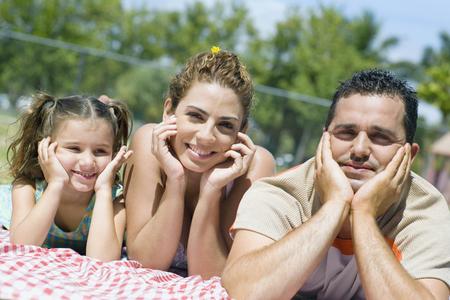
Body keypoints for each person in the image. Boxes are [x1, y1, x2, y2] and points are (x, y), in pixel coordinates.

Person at [221, 69, 450, 299]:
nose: (359, 150)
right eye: (346, 132)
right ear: (325, 139)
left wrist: (364, 214)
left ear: (409, 155)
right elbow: (244, 293)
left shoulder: (425, 210)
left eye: (381, 137)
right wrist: (335, 205)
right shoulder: (282, 194)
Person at [123, 47, 275, 278]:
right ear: (169, 111)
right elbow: (145, 261)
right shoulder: (149, 143)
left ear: (241, 131)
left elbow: (213, 276)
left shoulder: (255, 167)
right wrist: (175, 180)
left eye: (225, 125)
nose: (206, 136)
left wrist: (212, 190)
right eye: (195, 116)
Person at [1, 93, 132, 262]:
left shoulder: (115, 201)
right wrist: (56, 184)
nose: (87, 162)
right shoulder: (27, 187)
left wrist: (103, 190)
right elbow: (22, 245)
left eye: (100, 151)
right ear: (46, 147)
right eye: (74, 148)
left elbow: (102, 259)